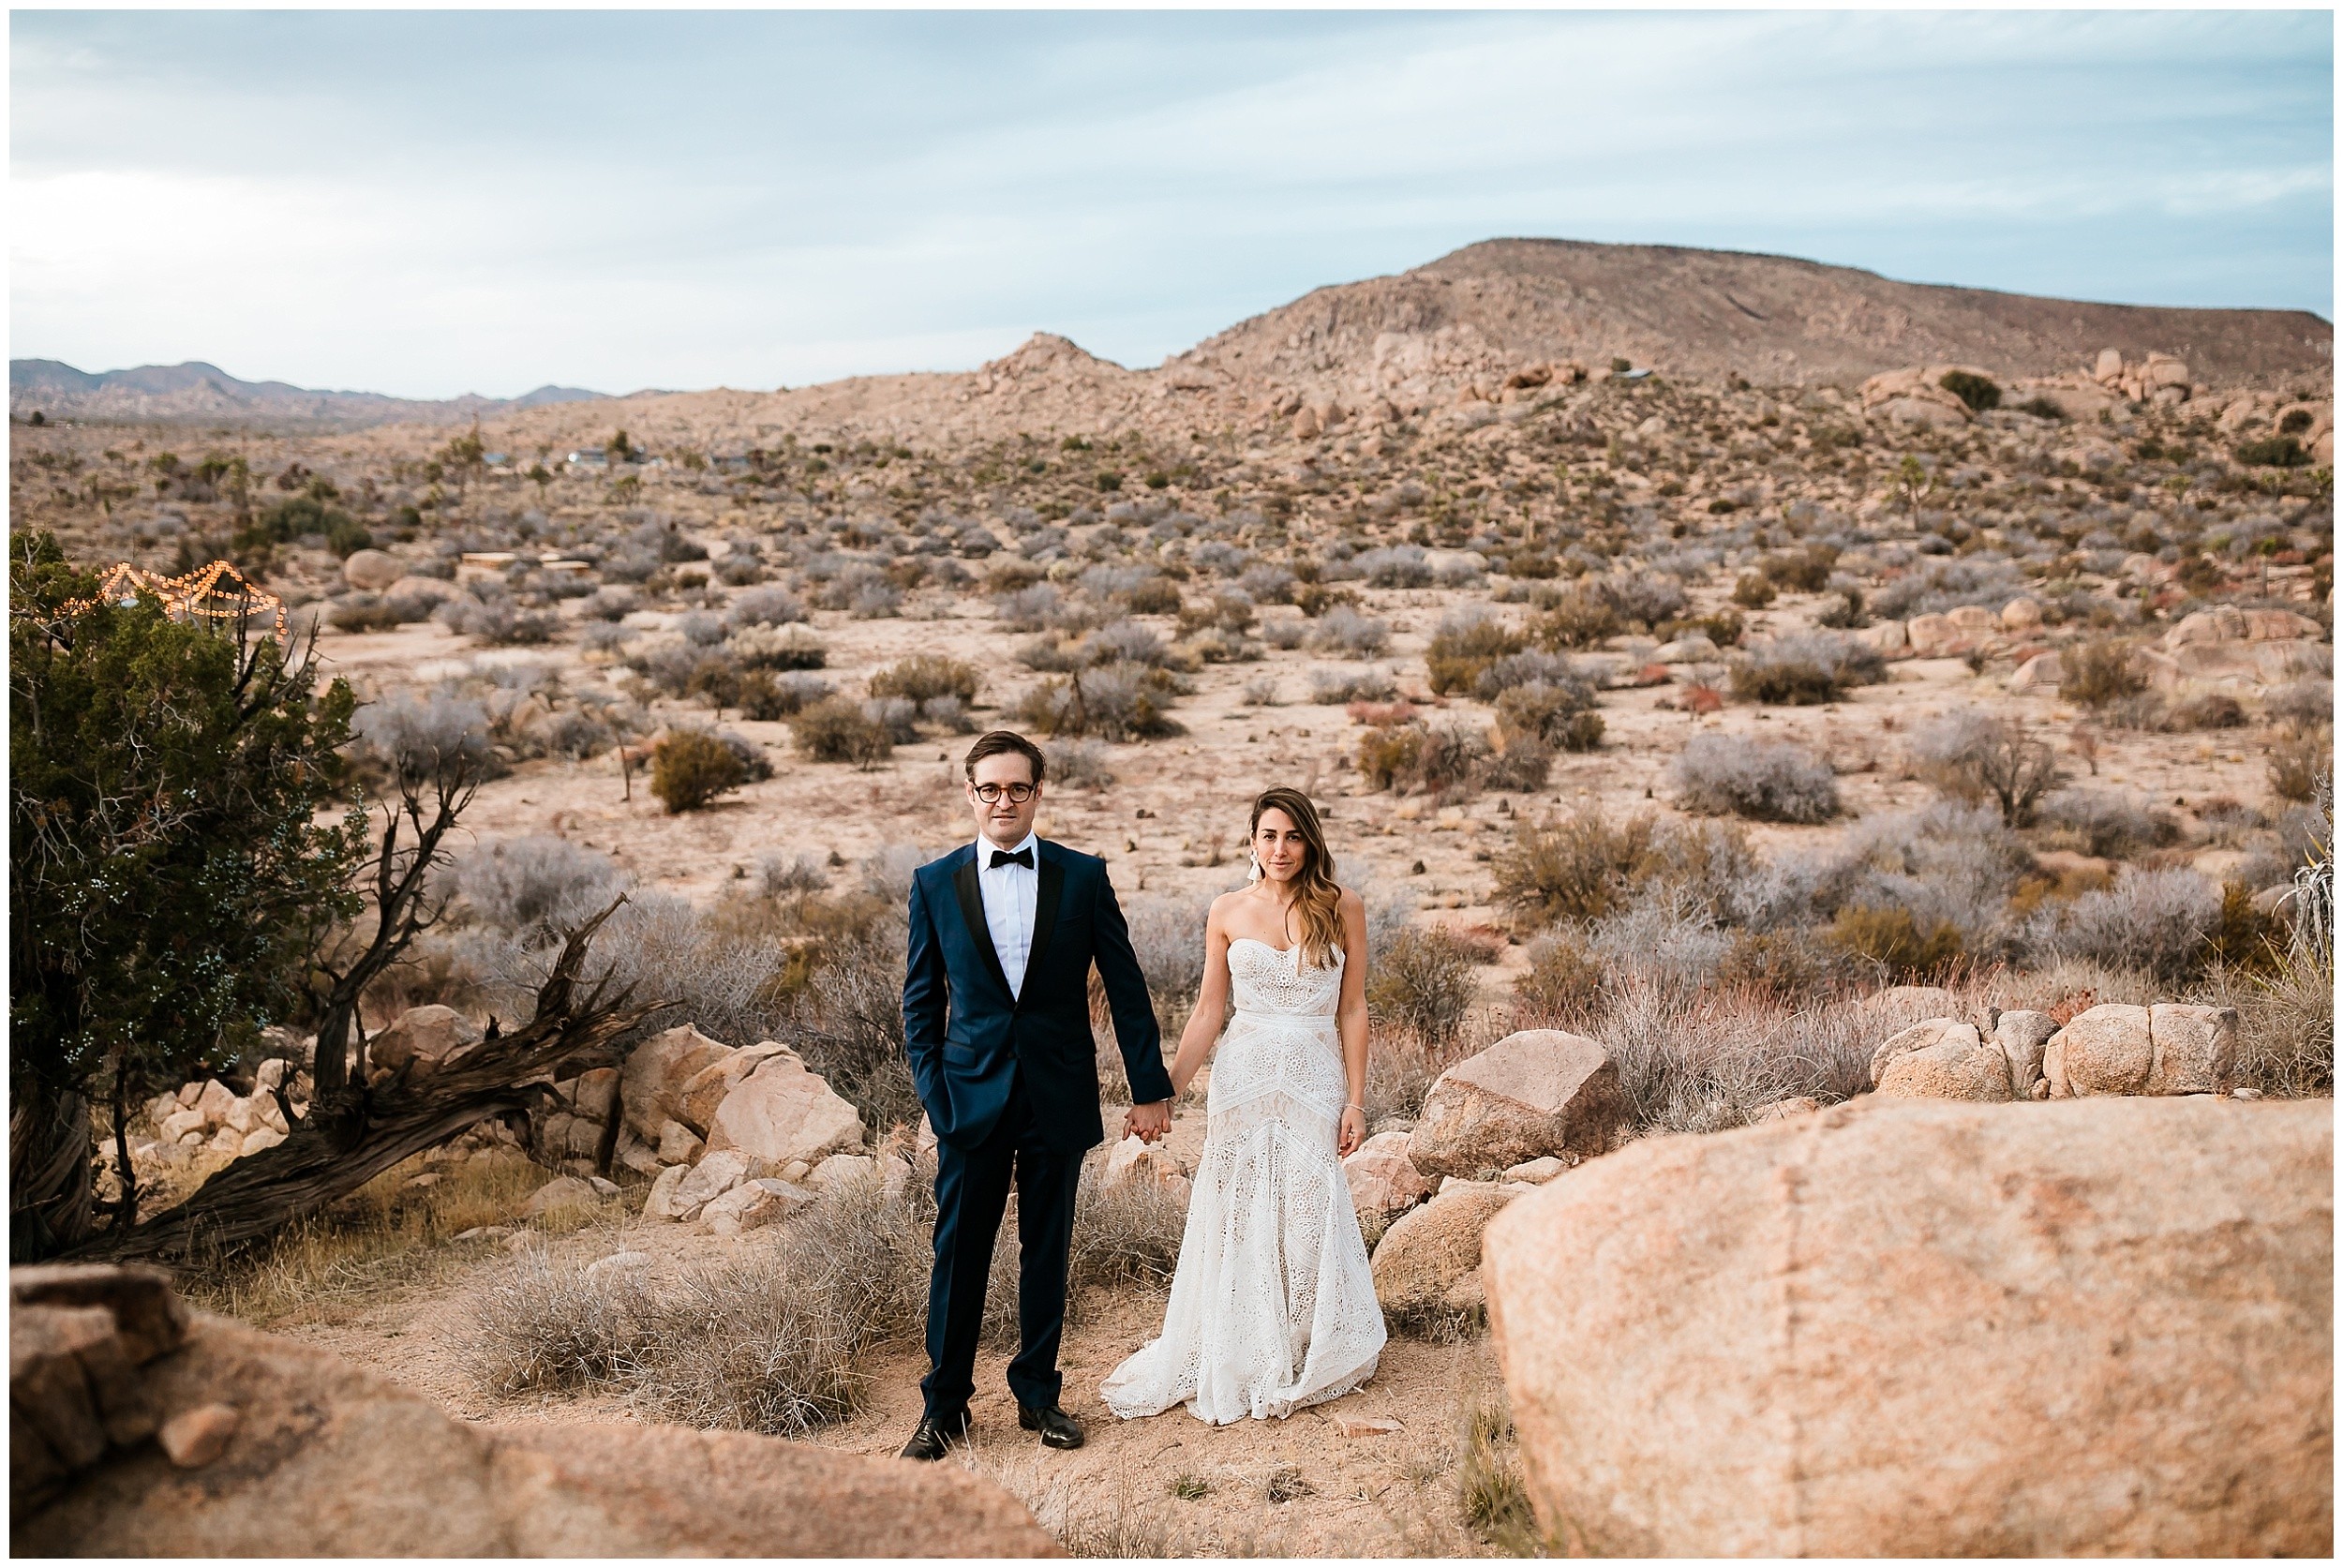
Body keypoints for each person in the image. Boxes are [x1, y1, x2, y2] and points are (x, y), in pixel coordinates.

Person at [896, 730, 1173, 1461]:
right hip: (968, 1099)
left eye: (1018, 787)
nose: (1004, 800)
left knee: (1045, 1250)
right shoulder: (934, 882)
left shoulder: (1083, 876)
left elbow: (1125, 983)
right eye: (990, 788)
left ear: (1038, 792)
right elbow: (920, 1004)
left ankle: (1039, 1397)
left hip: (1056, 1091)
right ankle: (945, 1406)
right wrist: (935, 1092)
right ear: (970, 793)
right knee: (958, 1253)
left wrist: (1149, 1086)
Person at [1099, 785, 1385, 1425]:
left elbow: (1354, 1007)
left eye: (1292, 835)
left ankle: (1303, 1338)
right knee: (1241, 1198)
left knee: (1310, 1199)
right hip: (1245, 1072)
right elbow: (1207, 1011)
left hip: (1314, 1073)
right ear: (1252, 841)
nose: (1280, 848)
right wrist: (1160, 1092)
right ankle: (1244, 1338)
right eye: (1268, 835)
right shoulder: (1227, 908)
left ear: (1310, 841)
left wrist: (1357, 1101)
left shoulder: (1344, 907)